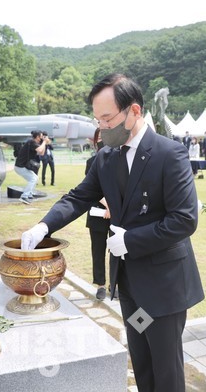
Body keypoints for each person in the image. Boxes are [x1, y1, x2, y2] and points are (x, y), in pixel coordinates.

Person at [21, 73, 204, 391]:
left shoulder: (168, 154)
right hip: (130, 284)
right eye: (97, 119)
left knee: (167, 369)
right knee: (142, 360)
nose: (102, 127)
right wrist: (43, 226)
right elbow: (78, 198)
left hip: (163, 286)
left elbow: (184, 220)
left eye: (107, 118)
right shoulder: (106, 158)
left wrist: (130, 240)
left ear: (134, 111)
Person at [85, 128, 111, 301]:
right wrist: (109, 206)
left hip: (118, 214)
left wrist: (115, 209)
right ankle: (101, 285)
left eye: (104, 136)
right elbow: (91, 189)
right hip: (98, 211)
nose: (102, 140)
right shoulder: (92, 161)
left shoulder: (122, 159)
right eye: (98, 138)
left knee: (118, 251)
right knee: (98, 248)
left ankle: (115, 284)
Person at [14, 130, 46, 204]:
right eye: (41, 136)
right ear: (38, 137)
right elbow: (40, 150)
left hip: (22, 166)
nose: (42, 138)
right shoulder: (31, 142)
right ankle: (24, 196)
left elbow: (41, 153)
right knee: (33, 178)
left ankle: (29, 195)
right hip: (20, 167)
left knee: (34, 178)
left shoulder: (32, 143)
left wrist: (44, 143)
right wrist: (44, 142)